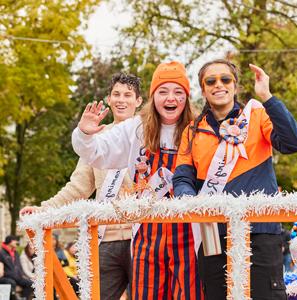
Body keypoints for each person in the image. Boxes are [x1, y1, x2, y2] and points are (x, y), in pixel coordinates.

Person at [173, 59, 297, 299]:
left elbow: (294, 143)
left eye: (225, 79)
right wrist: (191, 201)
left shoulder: (257, 115)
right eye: (210, 81)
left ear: (235, 86)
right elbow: (182, 177)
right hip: (212, 233)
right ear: (203, 90)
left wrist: (267, 97)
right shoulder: (192, 131)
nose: (218, 85)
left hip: (260, 230)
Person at [71, 61, 203, 299]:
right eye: (163, 91)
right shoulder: (135, 129)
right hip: (147, 233)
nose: (170, 98)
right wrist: (85, 133)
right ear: (153, 97)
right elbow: (97, 153)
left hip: (188, 232)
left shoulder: (199, 129)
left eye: (178, 92)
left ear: (186, 96)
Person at [20, 73, 143, 300]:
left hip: (143, 236)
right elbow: (78, 187)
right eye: (116, 94)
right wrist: (45, 208)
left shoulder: (148, 134)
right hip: (105, 238)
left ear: (139, 101)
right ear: (108, 98)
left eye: (128, 95)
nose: (121, 100)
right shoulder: (96, 139)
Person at [0, 235, 33, 300]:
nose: (17, 242)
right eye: (15, 240)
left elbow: (19, 266)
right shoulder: (2, 253)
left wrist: (22, 275)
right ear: (10, 241)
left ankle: (24, 298)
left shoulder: (16, 252)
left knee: (30, 283)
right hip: (7, 277)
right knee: (11, 283)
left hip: (17, 277)